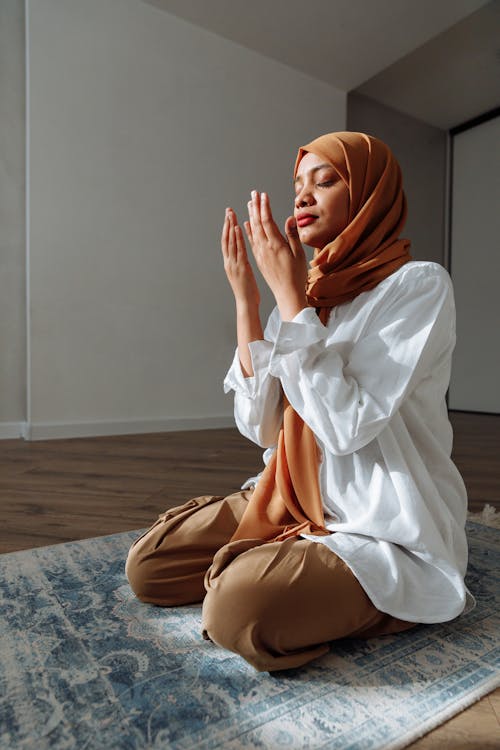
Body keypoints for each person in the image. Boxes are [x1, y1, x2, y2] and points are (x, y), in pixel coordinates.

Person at [126, 131, 472, 672]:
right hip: (290, 493)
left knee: (236, 610)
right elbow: (261, 427)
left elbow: (346, 427)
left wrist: (290, 300)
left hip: (373, 517)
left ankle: (389, 599)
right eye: (297, 187)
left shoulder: (418, 285)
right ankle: (282, 554)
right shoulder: (305, 295)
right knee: (149, 568)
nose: (303, 197)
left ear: (370, 195)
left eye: (325, 180)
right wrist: (248, 301)